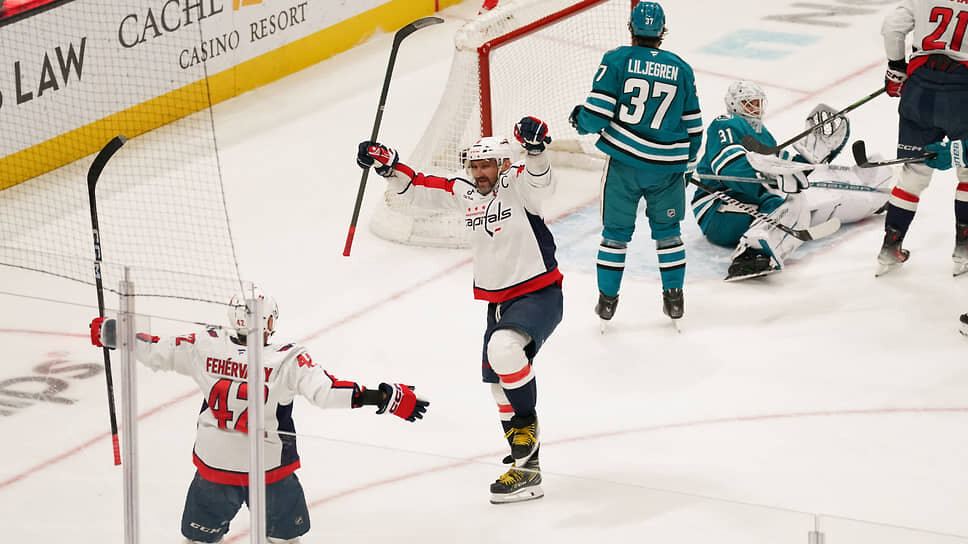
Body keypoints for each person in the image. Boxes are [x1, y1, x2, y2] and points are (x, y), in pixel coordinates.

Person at [89, 288, 429, 544]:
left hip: (215, 466)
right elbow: (327, 392)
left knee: (198, 541)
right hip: (268, 469)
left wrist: (117, 335)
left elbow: (155, 350)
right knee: (284, 539)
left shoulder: (204, 343)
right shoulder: (288, 358)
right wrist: (383, 397)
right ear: (268, 322)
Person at [356, 116, 561, 504]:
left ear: (503, 164)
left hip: (539, 292)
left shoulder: (517, 182)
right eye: (474, 166)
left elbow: (542, 183)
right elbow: (419, 188)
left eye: (486, 166)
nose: (479, 172)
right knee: (499, 384)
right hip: (498, 303)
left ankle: (526, 425)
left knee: (504, 351)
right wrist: (388, 165)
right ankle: (527, 472)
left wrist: (536, 150)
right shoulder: (464, 189)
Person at [569, 0, 702, 325]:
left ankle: (607, 301)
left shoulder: (617, 59)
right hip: (666, 169)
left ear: (632, 28)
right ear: (662, 31)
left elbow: (597, 114)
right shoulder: (681, 68)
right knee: (669, 234)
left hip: (624, 165)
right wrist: (686, 166)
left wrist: (579, 120)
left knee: (615, 234)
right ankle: (674, 299)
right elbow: (694, 127)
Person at [692, 80, 891, 280]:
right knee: (793, 203)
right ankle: (750, 255)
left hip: (747, 205)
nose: (755, 108)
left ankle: (872, 199)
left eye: (757, 103)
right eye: (748, 104)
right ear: (734, 104)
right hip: (718, 211)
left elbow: (783, 166)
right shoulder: (726, 123)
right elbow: (729, 166)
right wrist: (768, 178)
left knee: (804, 200)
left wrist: (808, 159)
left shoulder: (764, 135)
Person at [877, 0, 968, 276]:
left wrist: (896, 67)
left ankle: (890, 248)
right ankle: (964, 249)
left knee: (913, 173)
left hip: (919, 87)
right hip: (962, 90)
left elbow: (892, 27)